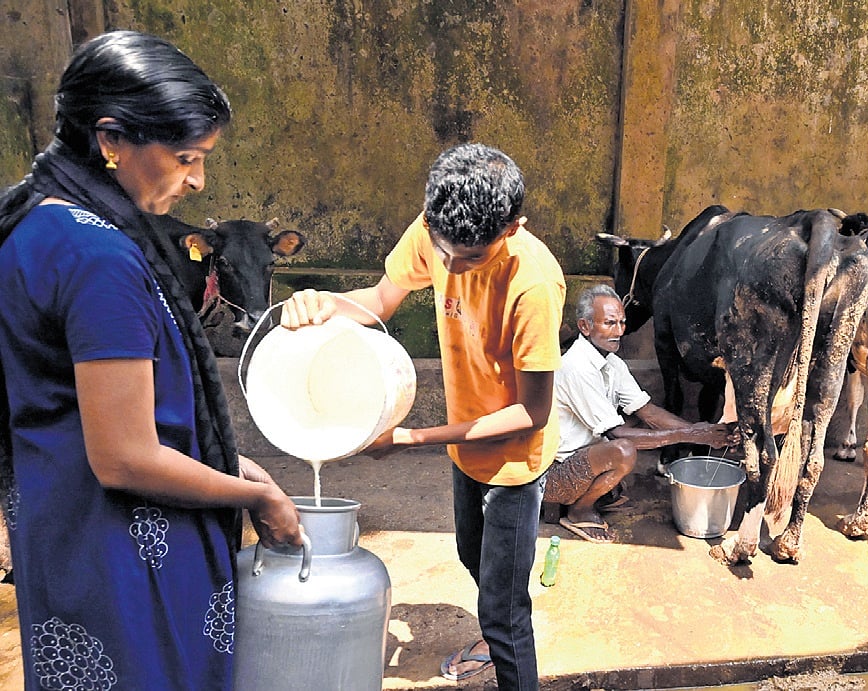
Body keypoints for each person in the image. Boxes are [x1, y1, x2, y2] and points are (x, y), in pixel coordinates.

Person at [0, 31, 303, 690]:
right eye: (186, 157)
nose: (196, 180)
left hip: (68, 546)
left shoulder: (36, 227)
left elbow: (100, 415)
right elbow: (126, 455)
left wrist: (230, 457)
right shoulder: (98, 260)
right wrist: (259, 490)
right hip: (129, 569)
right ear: (110, 141)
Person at [280, 143, 565, 690]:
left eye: (471, 258)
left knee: (507, 614)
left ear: (512, 227)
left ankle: (502, 645)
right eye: (444, 252)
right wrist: (320, 301)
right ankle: (492, 622)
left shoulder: (533, 285)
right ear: (431, 218)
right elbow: (381, 300)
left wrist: (411, 436)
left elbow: (532, 412)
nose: (452, 270)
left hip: (514, 463)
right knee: (470, 554)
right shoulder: (437, 228)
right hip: (465, 444)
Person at [546, 284, 738, 543]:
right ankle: (579, 510)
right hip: (556, 474)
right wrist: (693, 434)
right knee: (625, 449)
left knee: (635, 418)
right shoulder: (577, 367)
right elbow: (615, 434)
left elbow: (647, 411)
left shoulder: (612, 362)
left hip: (585, 454)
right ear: (584, 326)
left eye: (622, 323)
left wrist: (701, 433)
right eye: (609, 323)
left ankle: (599, 491)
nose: (619, 331)